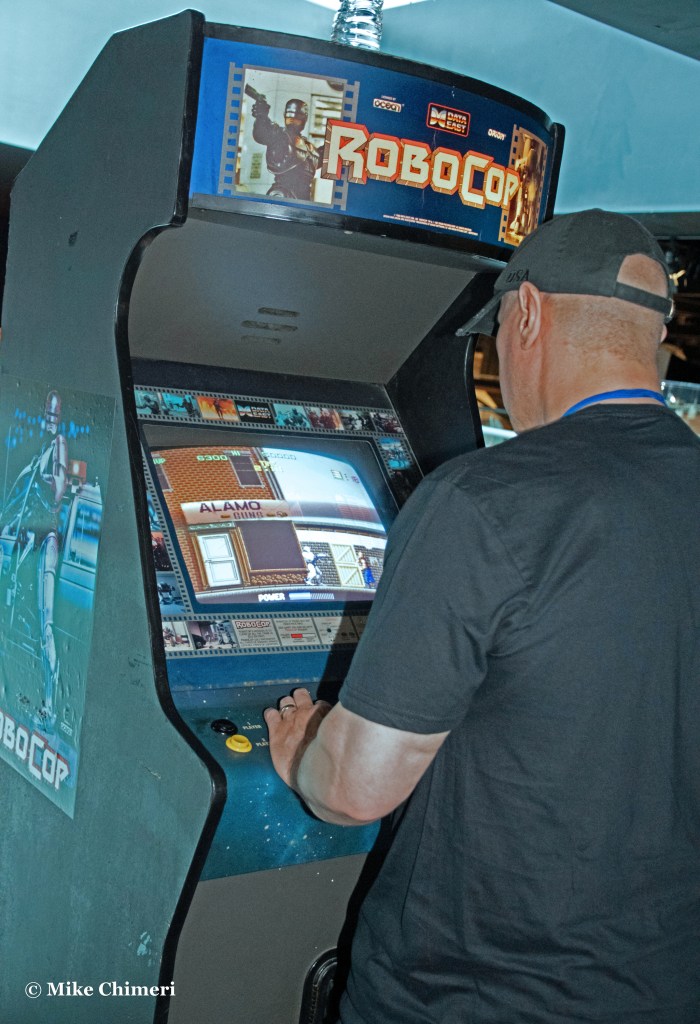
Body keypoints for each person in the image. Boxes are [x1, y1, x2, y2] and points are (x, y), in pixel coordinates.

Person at [264, 209, 700, 1024]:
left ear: (526, 312)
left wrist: (299, 757)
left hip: (473, 995)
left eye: (496, 332)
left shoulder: (485, 501)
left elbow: (355, 790)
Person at [251, 95, 323, 201]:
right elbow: (262, 133)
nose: (293, 121)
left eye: (297, 118)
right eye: (290, 118)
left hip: (303, 197)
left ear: (304, 119)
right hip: (284, 193)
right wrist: (261, 117)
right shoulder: (280, 135)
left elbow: (322, 156)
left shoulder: (310, 148)